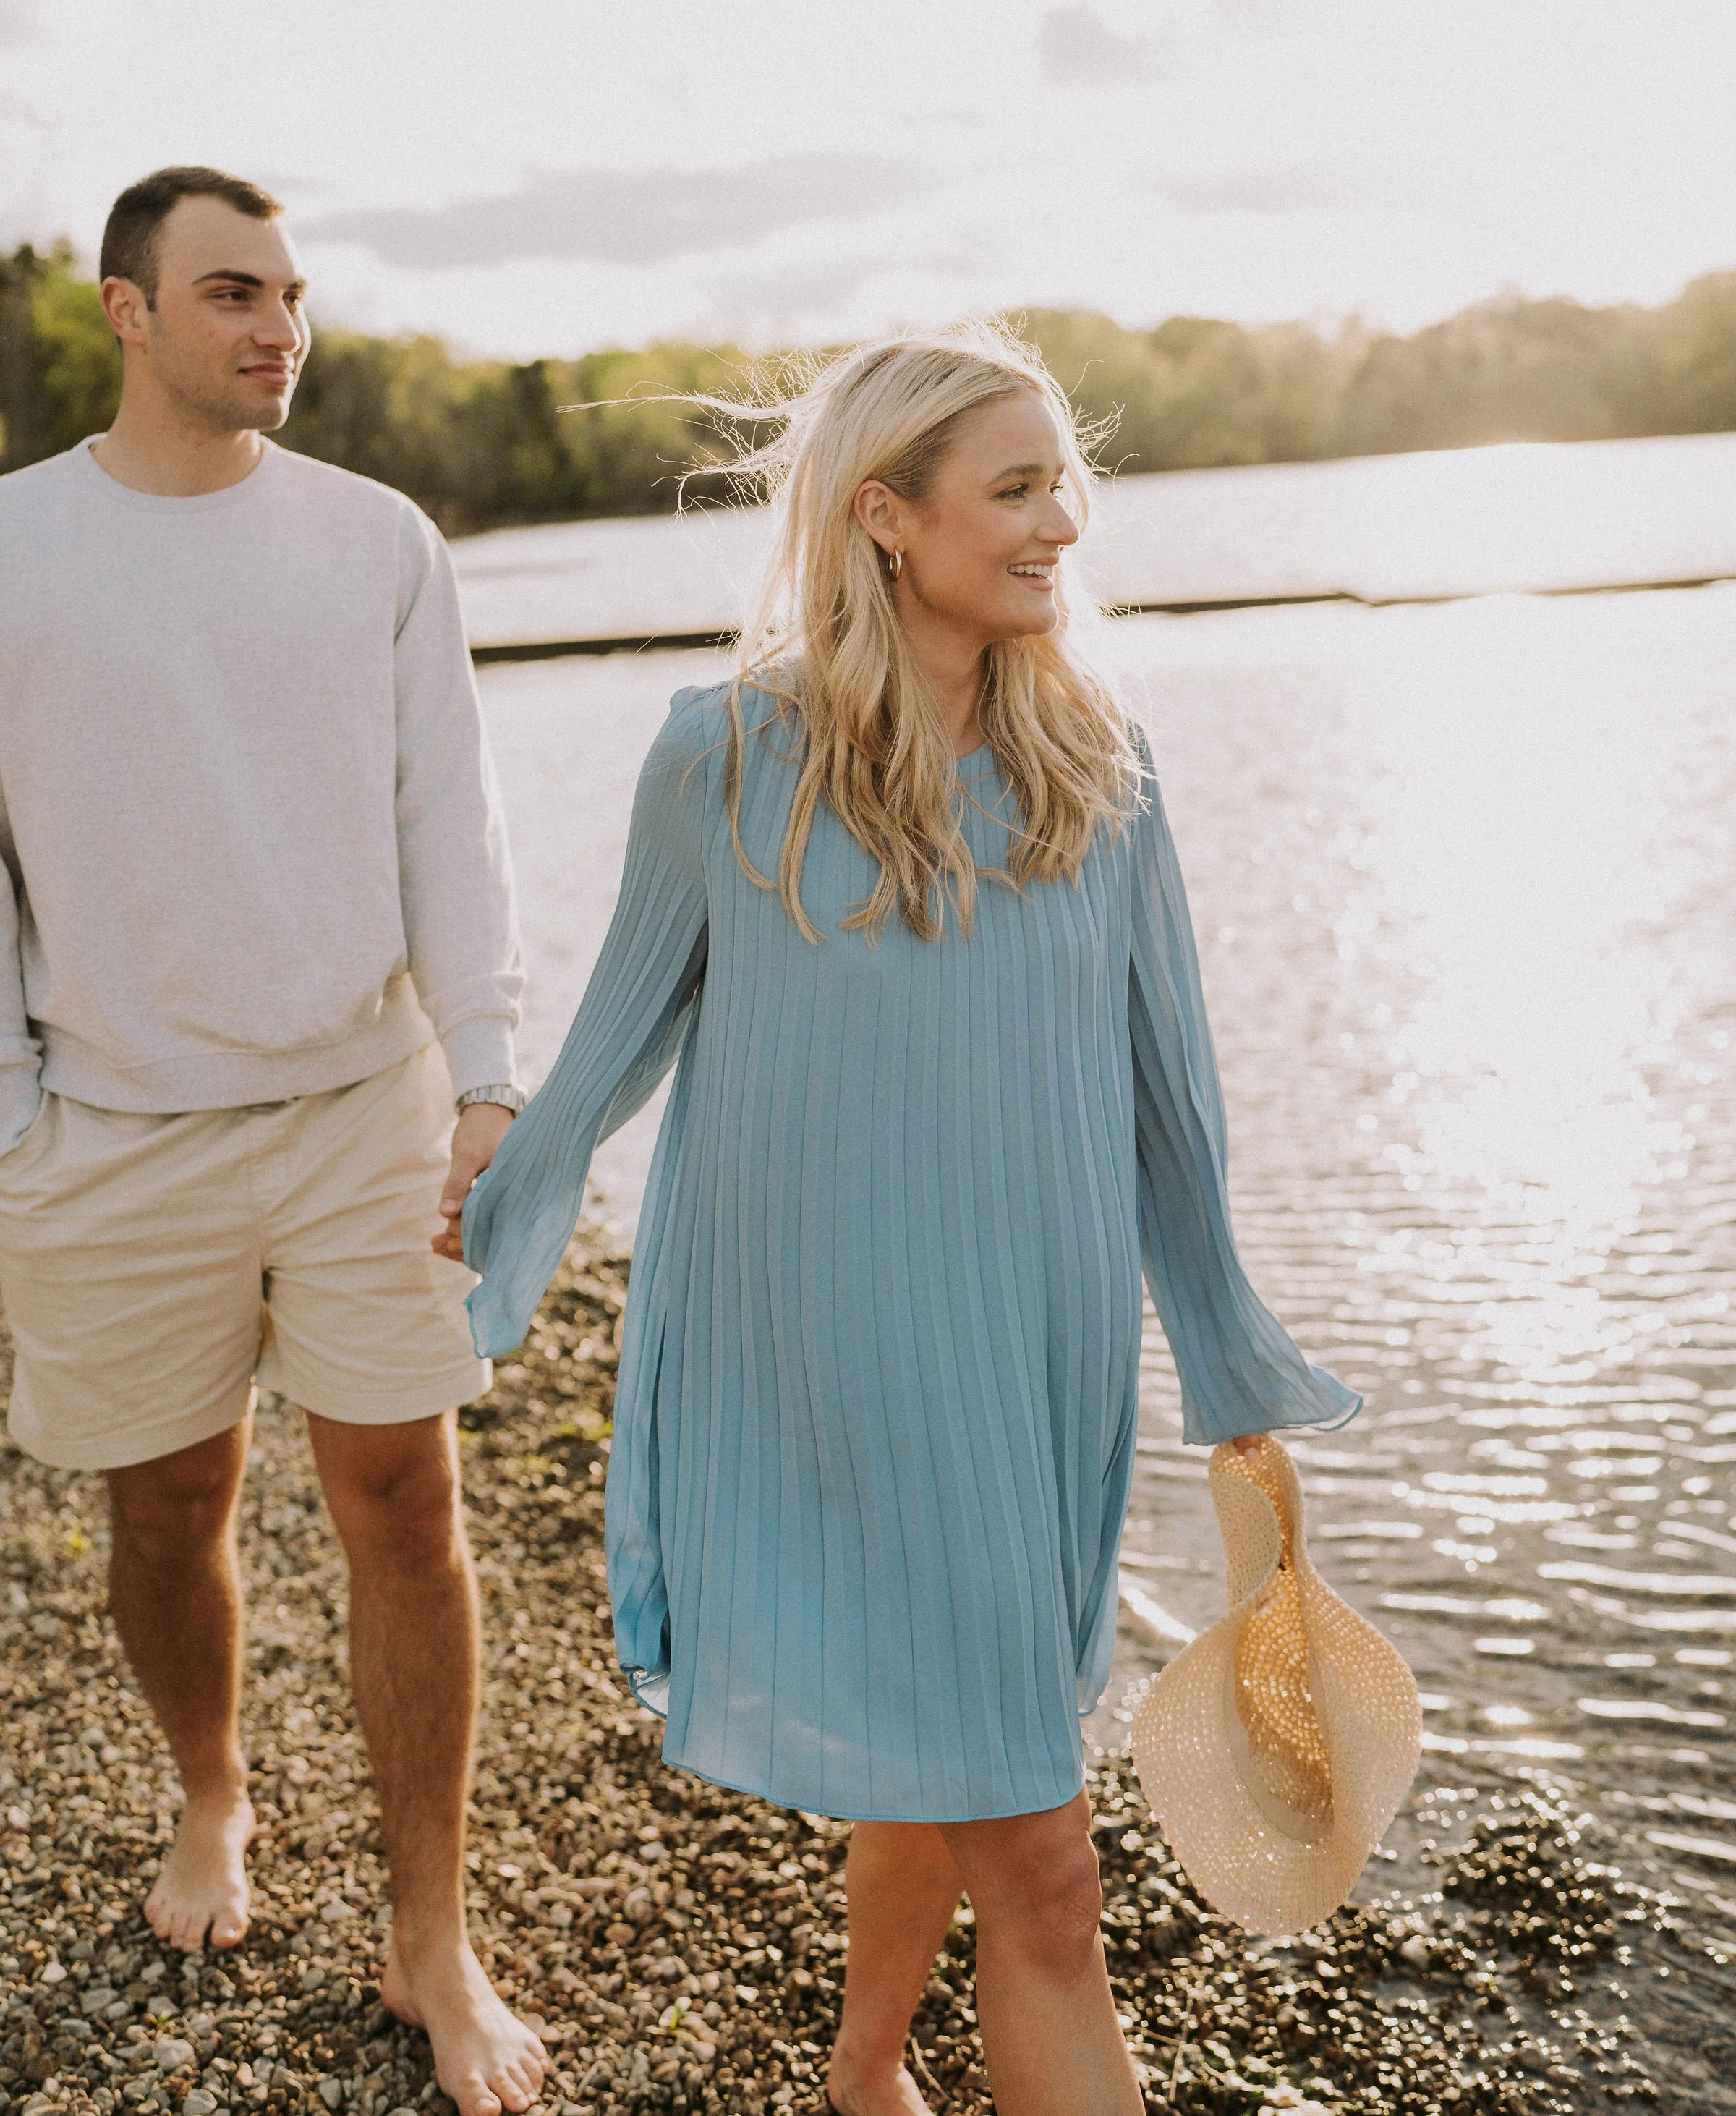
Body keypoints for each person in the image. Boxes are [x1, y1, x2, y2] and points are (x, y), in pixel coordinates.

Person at [450, 326, 1358, 2116]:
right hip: (839, 1356)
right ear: (886, 515)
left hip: (1041, 1347)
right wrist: (495, 1210)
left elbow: (1172, 1092)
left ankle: (866, 2069)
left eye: (1063, 482)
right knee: (1048, 1865)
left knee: (949, 1734)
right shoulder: (724, 760)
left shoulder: (1105, 762)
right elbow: (612, 1043)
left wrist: (1225, 1343)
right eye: (1016, 489)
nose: (1062, 525)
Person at [0, 168, 547, 2116]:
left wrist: (486, 1073)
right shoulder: (14, 550)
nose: (277, 327)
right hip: (113, 1131)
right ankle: (213, 1799)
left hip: (359, 1107)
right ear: (126, 314)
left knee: (406, 1505)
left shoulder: (377, 540)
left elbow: (446, 827)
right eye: (232, 292)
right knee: (166, 1513)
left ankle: (431, 1937)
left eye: (294, 295)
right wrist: (13, 1121)